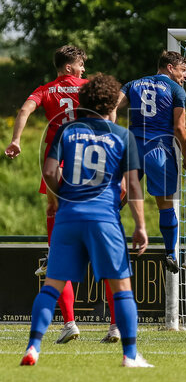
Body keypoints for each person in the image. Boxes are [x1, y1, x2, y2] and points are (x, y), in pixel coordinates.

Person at [21, 74, 152, 367]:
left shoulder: (67, 132)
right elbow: (132, 186)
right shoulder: (122, 135)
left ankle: (33, 347)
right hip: (103, 219)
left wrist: (56, 199)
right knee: (122, 289)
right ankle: (130, 355)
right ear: (112, 106)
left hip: (67, 218)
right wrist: (140, 226)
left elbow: (51, 172)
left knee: (51, 286)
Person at [5, 45, 116, 344]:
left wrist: (16, 139)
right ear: (69, 67)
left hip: (56, 169)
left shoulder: (45, 90)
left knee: (58, 250)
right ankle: (115, 325)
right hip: (89, 166)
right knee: (104, 244)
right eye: (80, 65)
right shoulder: (89, 88)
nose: (82, 69)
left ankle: (70, 322)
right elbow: (113, 102)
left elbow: (25, 109)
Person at [117, 50, 186, 279]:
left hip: (131, 147)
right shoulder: (175, 89)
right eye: (183, 70)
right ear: (170, 68)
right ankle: (170, 252)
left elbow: (113, 106)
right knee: (165, 203)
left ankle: (97, 239)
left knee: (117, 198)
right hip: (159, 149)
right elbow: (180, 129)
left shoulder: (133, 84)